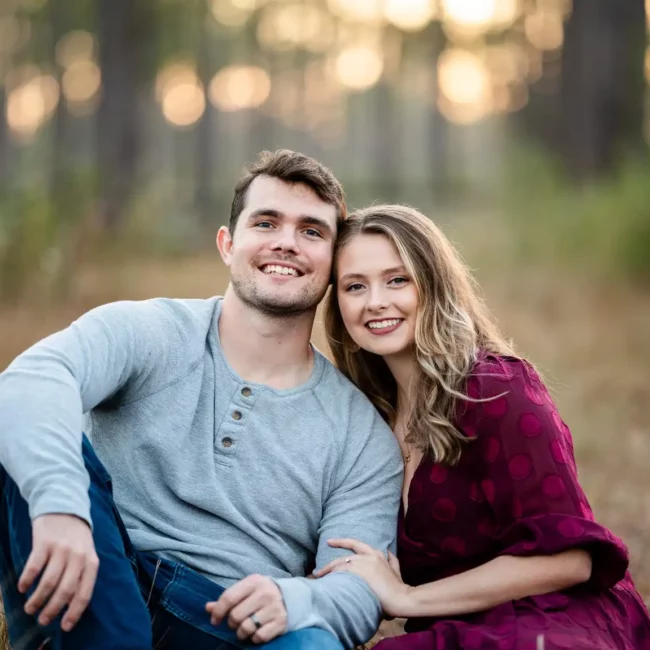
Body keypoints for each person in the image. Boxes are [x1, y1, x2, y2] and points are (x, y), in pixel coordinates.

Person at [0, 151, 403, 650]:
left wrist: (296, 599)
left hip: (229, 623)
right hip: (100, 573)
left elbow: (359, 586)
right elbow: (30, 381)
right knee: (34, 424)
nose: (286, 242)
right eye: (266, 222)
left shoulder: (361, 435)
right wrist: (61, 507)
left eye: (312, 231)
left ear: (332, 263)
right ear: (227, 244)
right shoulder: (150, 330)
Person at [320, 204, 650, 649]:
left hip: (555, 620)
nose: (376, 301)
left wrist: (407, 597)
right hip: (455, 630)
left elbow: (570, 561)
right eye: (355, 286)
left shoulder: (495, 388)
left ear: (433, 285)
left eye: (397, 279)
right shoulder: (366, 416)